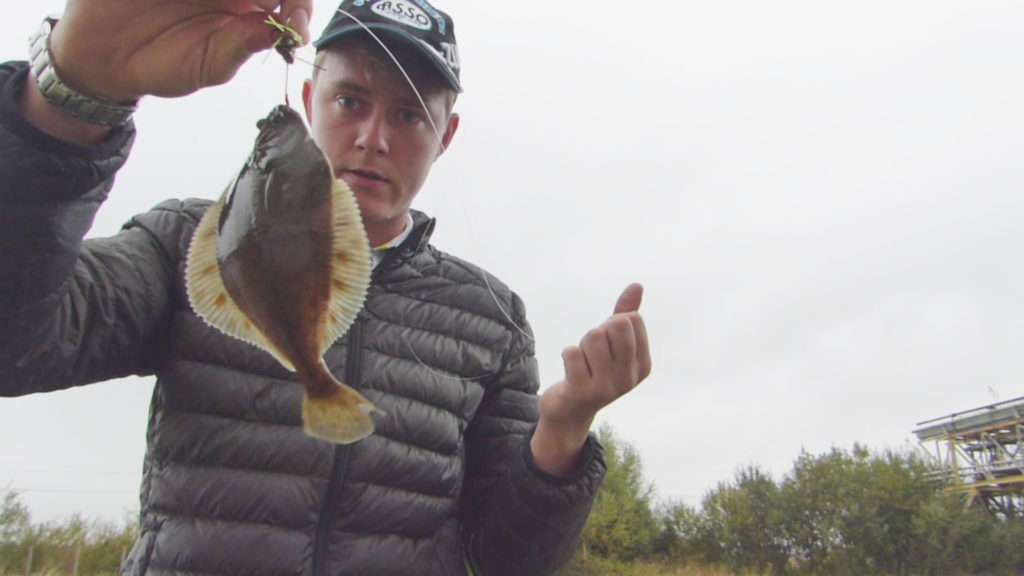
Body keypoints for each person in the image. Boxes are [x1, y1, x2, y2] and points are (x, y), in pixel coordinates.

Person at [0, 0, 652, 574]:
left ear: (445, 136)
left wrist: (563, 432)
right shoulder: (187, 243)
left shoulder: (492, 318)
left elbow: (511, 559)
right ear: (310, 99)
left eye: (408, 115)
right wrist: (71, 95)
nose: (373, 139)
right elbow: (17, 345)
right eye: (350, 102)